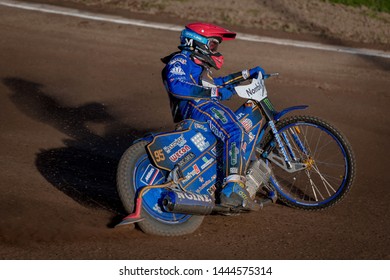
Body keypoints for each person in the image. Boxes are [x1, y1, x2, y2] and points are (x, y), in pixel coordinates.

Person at [161, 22, 265, 211]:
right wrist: (214, 94)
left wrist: (245, 75)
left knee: (234, 128)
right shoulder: (180, 60)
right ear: (196, 42)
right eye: (213, 45)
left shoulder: (198, 66)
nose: (215, 50)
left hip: (202, 105)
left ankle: (222, 179)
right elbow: (176, 85)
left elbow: (215, 83)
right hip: (196, 106)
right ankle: (232, 188)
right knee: (234, 130)